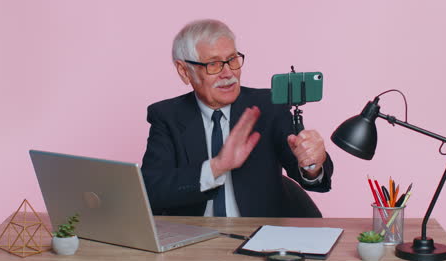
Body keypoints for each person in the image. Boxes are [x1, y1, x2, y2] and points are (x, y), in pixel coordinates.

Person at [141, 19, 333, 217]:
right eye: (213, 64)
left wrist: (312, 164)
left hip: (261, 235)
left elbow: (308, 173)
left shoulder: (269, 106)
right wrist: (217, 167)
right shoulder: (167, 116)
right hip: (194, 238)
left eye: (232, 59)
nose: (228, 73)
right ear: (184, 71)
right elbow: (151, 190)